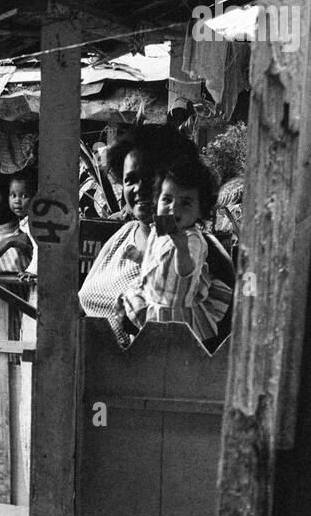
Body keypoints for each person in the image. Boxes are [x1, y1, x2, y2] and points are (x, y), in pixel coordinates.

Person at [78, 123, 234, 352]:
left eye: (150, 177)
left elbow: (214, 343)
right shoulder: (123, 236)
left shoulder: (200, 249)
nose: (139, 188)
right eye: (130, 179)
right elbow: (82, 302)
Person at [121, 157, 228, 348]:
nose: (173, 207)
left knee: (170, 348)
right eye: (167, 199)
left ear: (200, 211)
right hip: (152, 298)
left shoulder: (192, 240)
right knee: (133, 327)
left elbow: (186, 271)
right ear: (157, 200)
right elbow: (156, 261)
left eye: (185, 203)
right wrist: (139, 257)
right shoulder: (158, 230)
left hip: (174, 308)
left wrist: (181, 248)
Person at [8, 170, 37, 276]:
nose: (17, 201)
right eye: (13, 195)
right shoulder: (23, 220)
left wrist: (31, 271)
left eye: (24, 196)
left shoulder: (33, 222)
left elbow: (39, 247)